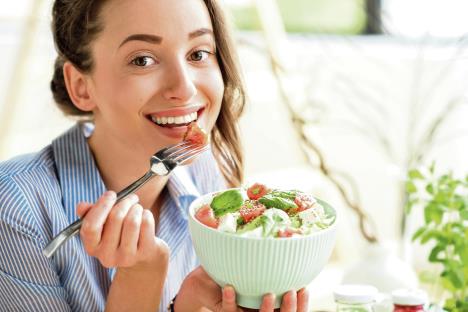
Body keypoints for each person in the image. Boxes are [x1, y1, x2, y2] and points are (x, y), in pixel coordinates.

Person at [0, 0, 309, 311]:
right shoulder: (16, 208)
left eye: (198, 54)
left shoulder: (206, 177)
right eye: (142, 60)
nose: (184, 88)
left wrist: (187, 305)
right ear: (81, 87)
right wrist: (139, 278)